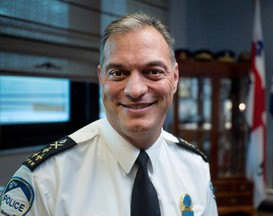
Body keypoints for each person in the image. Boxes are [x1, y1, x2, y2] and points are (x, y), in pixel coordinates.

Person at [0, 13, 218, 215]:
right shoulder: (46, 179)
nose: (135, 90)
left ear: (175, 78)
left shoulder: (195, 167)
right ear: (101, 78)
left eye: (153, 72)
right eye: (118, 73)